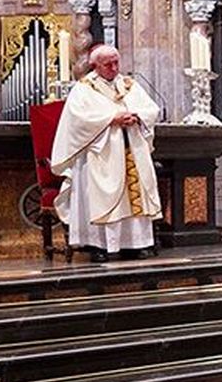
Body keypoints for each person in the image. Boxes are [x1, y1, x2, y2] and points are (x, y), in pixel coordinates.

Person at [52, 46, 163, 261]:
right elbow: (77, 121)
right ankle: (98, 245)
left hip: (131, 148)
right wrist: (112, 119)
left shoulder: (129, 85)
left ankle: (136, 243)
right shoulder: (83, 89)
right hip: (100, 154)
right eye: (108, 64)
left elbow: (151, 109)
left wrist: (137, 116)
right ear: (94, 66)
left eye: (116, 63)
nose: (114, 68)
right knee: (103, 195)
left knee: (135, 195)